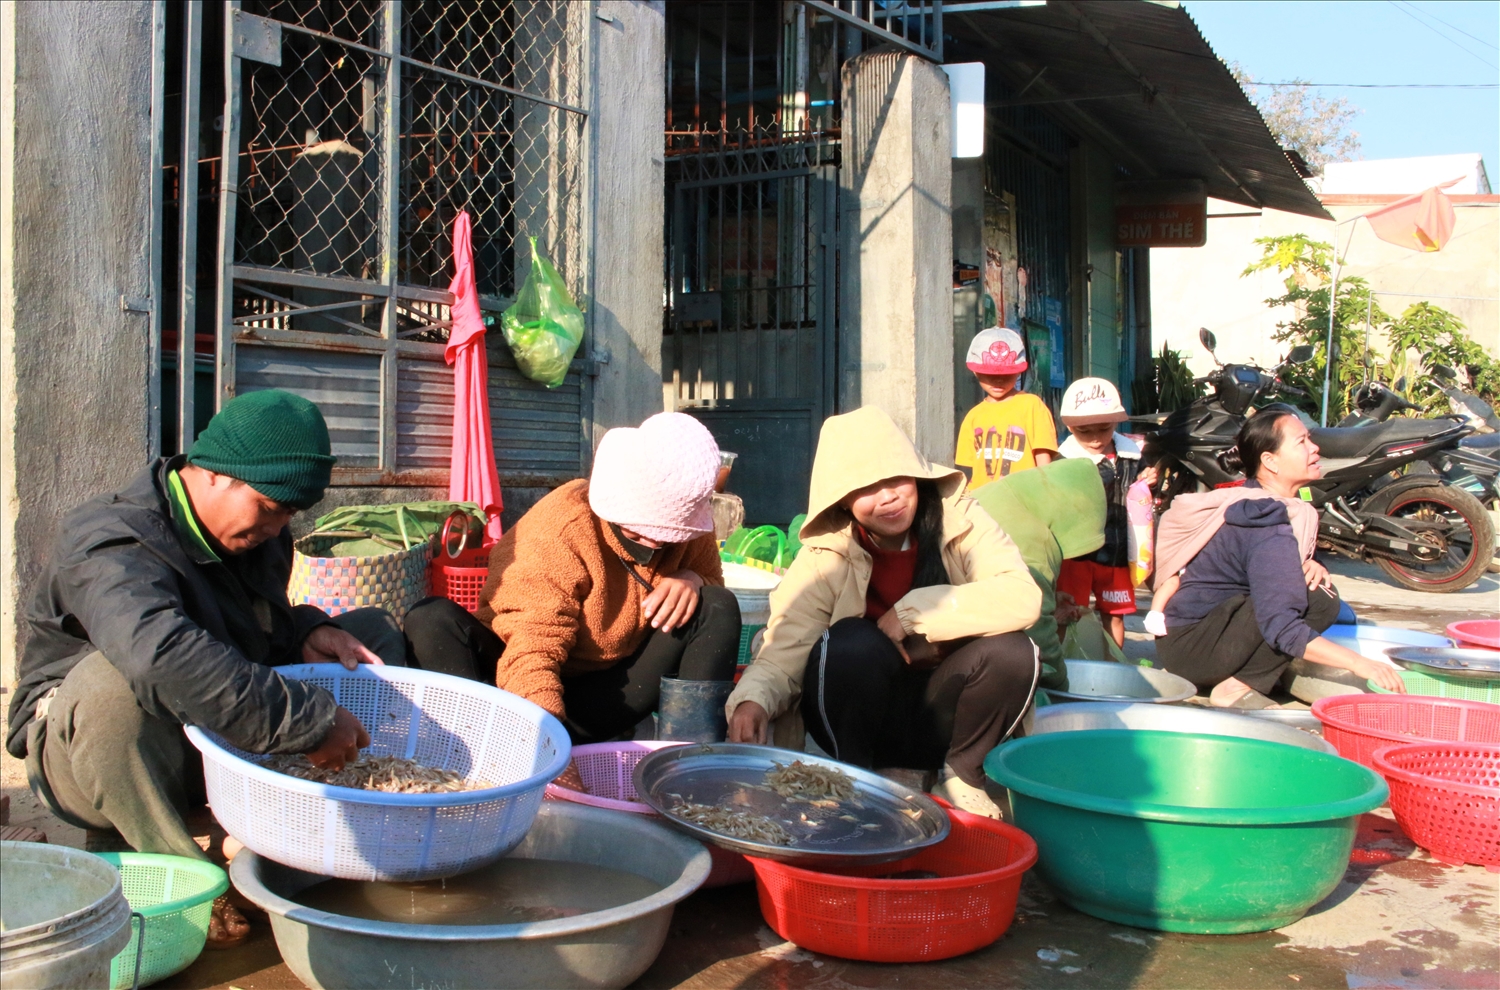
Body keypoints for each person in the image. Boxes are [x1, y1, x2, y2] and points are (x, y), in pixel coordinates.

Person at [6, 389, 406, 946]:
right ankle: (184, 872)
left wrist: (308, 628)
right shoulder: (108, 537)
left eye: (289, 513)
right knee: (113, 686)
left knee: (370, 637)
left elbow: (255, 628)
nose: (276, 526)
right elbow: (159, 653)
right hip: (90, 752)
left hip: (208, 730)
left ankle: (328, 822)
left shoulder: (259, 538)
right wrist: (311, 723)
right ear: (214, 473)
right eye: (269, 508)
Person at [725, 406, 1042, 817]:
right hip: (861, 718)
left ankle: (963, 774)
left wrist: (912, 613)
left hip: (945, 715)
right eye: (866, 488)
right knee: (850, 642)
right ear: (843, 501)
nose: (888, 496)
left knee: (1015, 652)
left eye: (896, 478)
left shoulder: (961, 519)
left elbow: (1021, 595)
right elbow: (786, 644)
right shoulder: (826, 553)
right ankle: (850, 776)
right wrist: (753, 701)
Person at [404, 413, 740, 786]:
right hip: (516, 692)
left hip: (606, 692)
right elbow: (533, 651)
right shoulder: (560, 530)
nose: (653, 545)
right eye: (639, 533)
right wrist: (548, 751)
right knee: (430, 619)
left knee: (717, 605)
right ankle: (471, 761)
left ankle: (685, 776)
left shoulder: (687, 519)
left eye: (665, 536)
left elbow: (713, 580)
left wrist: (693, 579)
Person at [1152, 408, 1407, 707]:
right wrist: (1361, 664)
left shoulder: (1255, 498)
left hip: (1185, 643)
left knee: (1319, 589)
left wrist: (1309, 563)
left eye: (1309, 439)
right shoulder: (1263, 520)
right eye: (1301, 442)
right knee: (1320, 598)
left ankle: (1241, 673)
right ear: (1269, 461)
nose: (1315, 448)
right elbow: (1281, 627)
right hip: (1197, 649)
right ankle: (1235, 687)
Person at [971, 458, 1109, 692]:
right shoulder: (1032, 540)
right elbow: (1034, 634)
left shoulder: (995, 496)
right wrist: (1062, 688)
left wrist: (1049, 599)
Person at [1054, 377, 1158, 649]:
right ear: (1068, 427)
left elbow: (1143, 496)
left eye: (1104, 428)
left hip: (1117, 553)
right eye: (1084, 431)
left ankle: (1117, 669)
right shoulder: (1063, 460)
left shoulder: (1131, 454)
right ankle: (1061, 668)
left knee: (1115, 613)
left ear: (1117, 423)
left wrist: (1150, 480)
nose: (1096, 439)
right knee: (1066, 612)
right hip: (1076, 554)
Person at [954, 326, 1058, 490]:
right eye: (991, 375)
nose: (999, 381)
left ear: (1018, 372)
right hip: (983, 504)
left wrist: (1046, 494)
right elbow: (968, 470)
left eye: (1006, 374)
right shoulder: (973, 416)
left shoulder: (1032, 406)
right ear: (976, 372)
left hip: (1025, 500)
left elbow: (1043, 458)